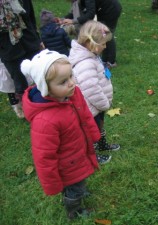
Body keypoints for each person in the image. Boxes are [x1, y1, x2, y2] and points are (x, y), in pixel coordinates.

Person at [21, 49, 101, 220]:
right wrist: (52, 184)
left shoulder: (72, 94)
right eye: (63, 81)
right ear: (45, 87)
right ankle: (74, 211)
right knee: (75, 185)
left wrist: (94, 135)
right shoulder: (45, 121)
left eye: (71, 75)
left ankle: (74, 192)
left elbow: (85, 115)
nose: (72, 83)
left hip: (78, 151)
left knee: (77, 183)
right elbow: (44, 156)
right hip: (67, 165)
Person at [68, 20, 120, 159]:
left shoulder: (91, 55)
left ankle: (102, 144)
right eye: (102, 44)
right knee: (91, 130)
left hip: (97, 105)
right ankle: (91, 155)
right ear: (90, 43)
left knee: (99, 126)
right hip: (91, 106)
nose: (105, 46)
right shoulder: (85, 63)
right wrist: (104, 103)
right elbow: (91, 89)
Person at [0, 0, 43, 118]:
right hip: (8, 48)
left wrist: (37, 39)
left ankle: (49, 102)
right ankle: (29, 111)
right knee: (19, 83)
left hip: (29, 40)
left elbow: (29, 16)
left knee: (41, 73)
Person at [94, 0, 122, 68]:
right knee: (104, 35)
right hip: (105, 10)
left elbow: (91, 11)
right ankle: (105, 59)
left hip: (111, 10)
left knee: (108, 35)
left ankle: (111, 61)